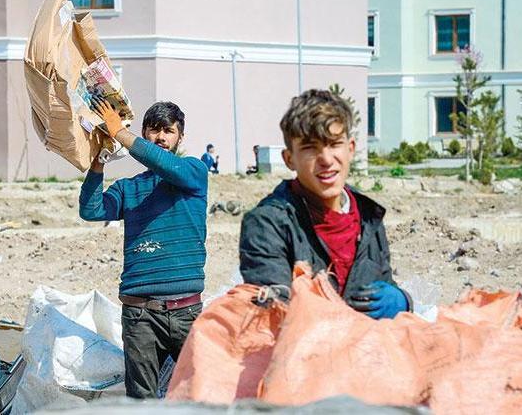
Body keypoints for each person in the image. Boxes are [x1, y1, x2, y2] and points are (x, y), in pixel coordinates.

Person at [239, 89, 411, 319]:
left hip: (368, 350)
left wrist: (403, 302)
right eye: (310, 148)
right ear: (290, 159)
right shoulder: (267, 224)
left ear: (350, 149)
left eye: (334, 144)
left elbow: (383, 285)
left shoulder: (368, 216)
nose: (327, 160)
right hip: (303, 352)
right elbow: (275, 315)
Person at [79, 99, 208, 398]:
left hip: (186, 310)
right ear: (144, 133)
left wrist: (121, 134)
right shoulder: (128, 188)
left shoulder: (192, 172)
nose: (161, 137)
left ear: (180, 138)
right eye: (153, 130)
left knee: (200, 394)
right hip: (140, 315)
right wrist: (98, 162)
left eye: (168, 131)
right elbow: (91, 209)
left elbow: (162, 163)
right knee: (142, 401)